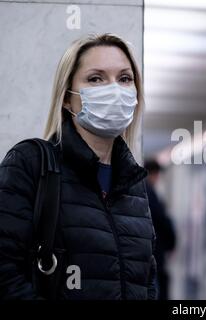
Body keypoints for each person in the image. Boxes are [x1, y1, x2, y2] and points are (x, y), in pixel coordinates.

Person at [0, 33, 157, 299]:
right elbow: (4, 273)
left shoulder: (134, 186)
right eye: (96, 78)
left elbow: (147, 281)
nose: (115, 90)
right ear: (67, 97)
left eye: (125, 79)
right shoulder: (30, 164)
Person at [144, 159, 176, 300]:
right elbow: (161, 220)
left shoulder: (142, 191)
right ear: (154, 174)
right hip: (155, 254)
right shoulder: (149, 193)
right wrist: (171, 243)